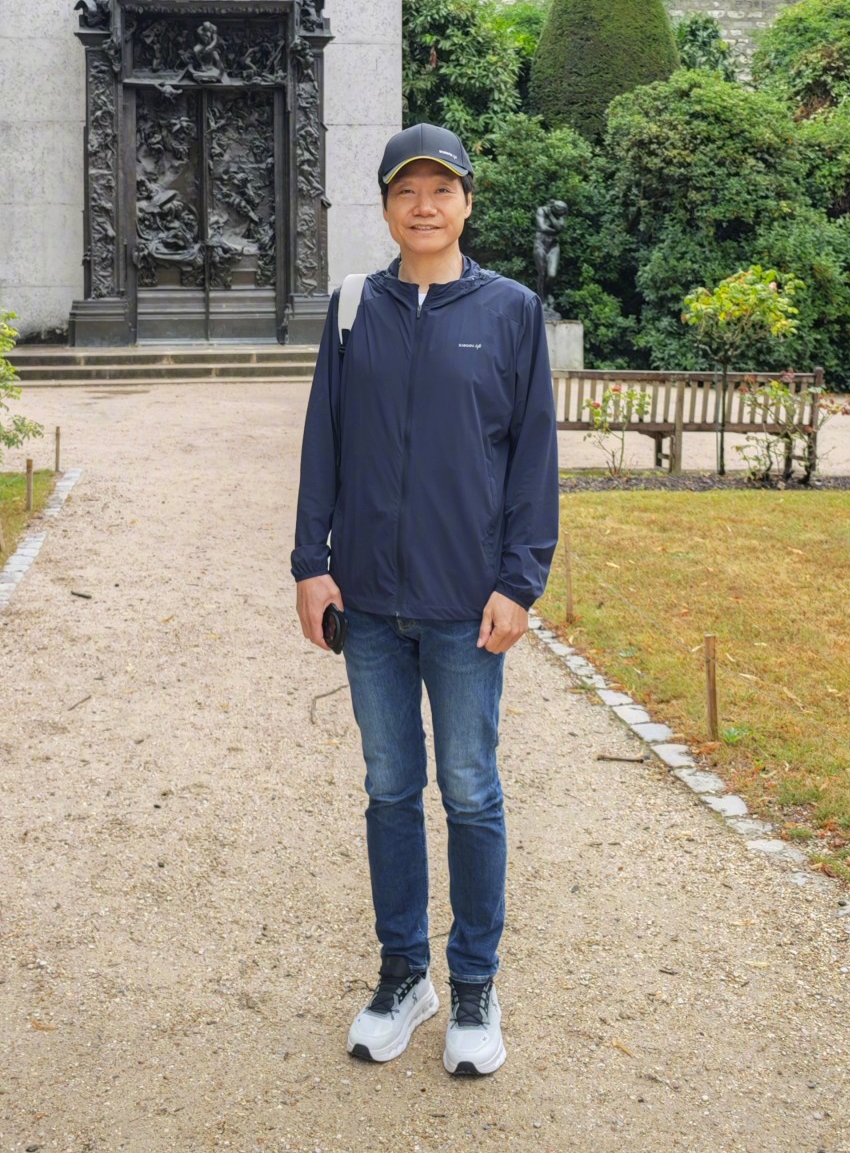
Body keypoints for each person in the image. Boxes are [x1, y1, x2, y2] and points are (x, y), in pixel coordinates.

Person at [292, 122, 559, 1077]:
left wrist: (519, 581)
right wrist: (308, 561)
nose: (425, 205)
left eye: (441, 189)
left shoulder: (513, 310)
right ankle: (404, 974)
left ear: (466, 203)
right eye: (408, 190)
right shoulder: (355, 306)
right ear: (388, 204)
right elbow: (324, 435)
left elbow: (532, 456)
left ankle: (476, 984)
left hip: (463, 605)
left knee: (473, 791)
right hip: (366, 599)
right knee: (389, 789)